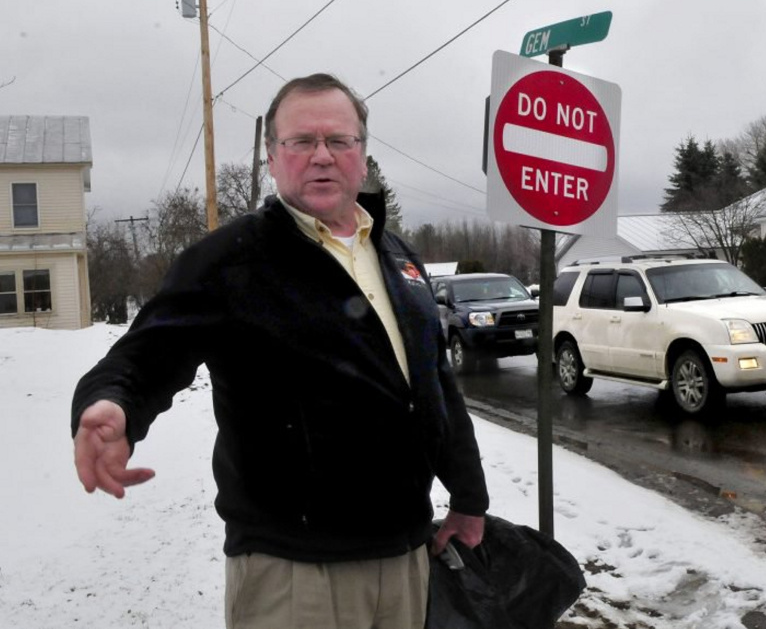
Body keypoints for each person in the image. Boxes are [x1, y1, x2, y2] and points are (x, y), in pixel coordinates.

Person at [71, 73, 489, 629]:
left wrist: (467, 495)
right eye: (301, 142)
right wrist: (112, 403)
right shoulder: (230, 260)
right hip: (294, 572)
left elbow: (434, 385)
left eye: (339, 141)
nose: (322, 156)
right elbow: (147, 354)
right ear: (272, 157)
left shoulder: (398, 258)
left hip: (407, 553)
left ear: (361, 157)